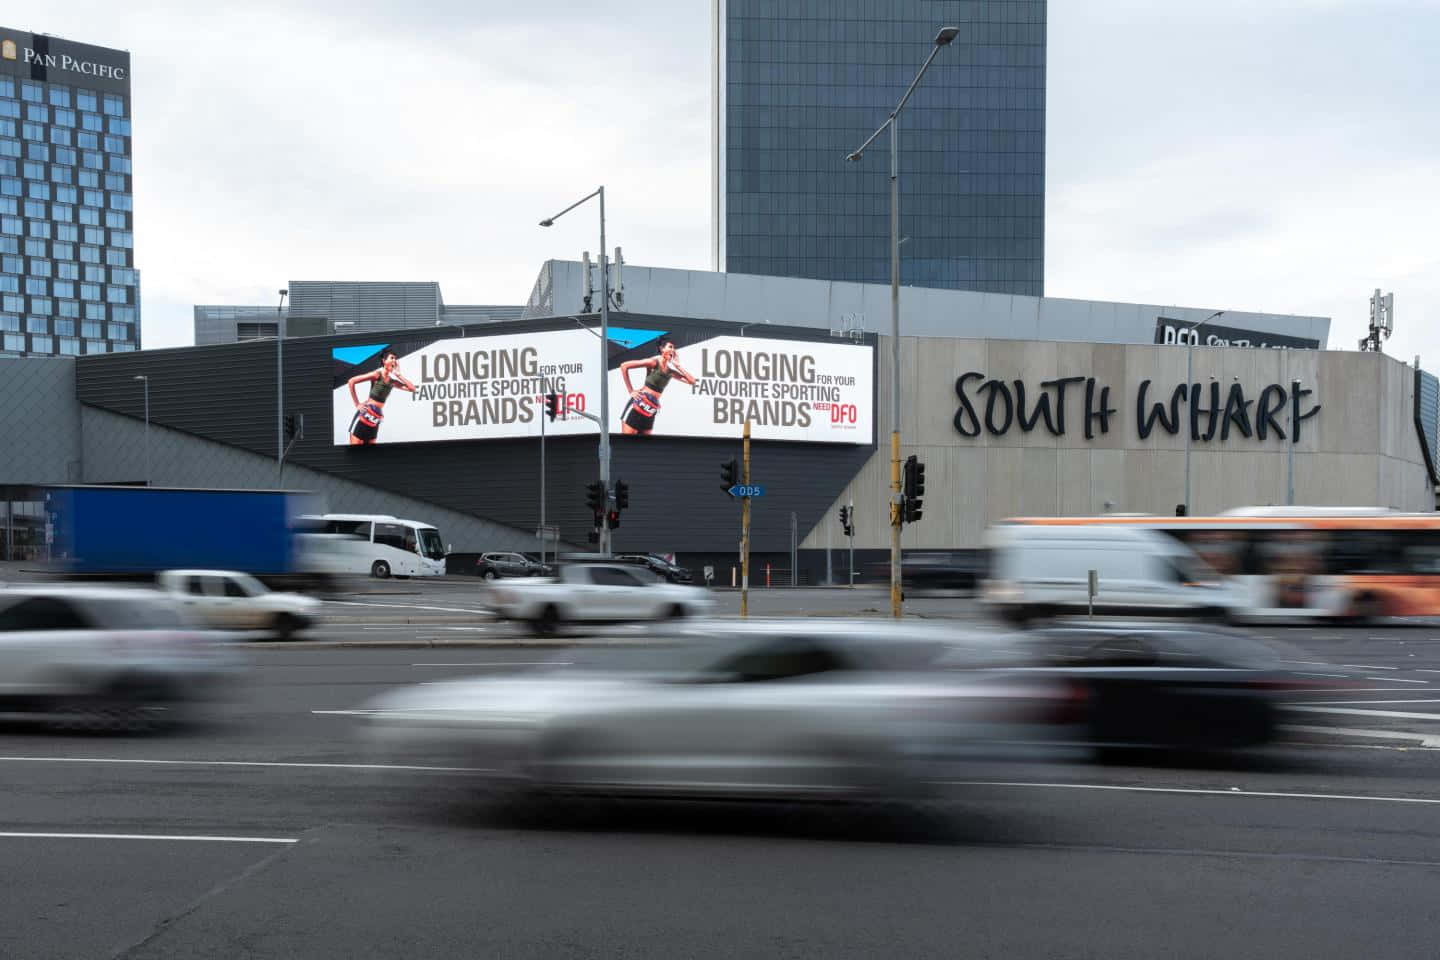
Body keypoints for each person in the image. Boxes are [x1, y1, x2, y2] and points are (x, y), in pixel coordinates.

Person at [618, 340, 698, 436]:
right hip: (637, 405)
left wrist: (678, 366)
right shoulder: (653, 362)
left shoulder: (670, 372)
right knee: (627, 445)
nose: (673, 350)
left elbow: (692, 381)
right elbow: (624, 366)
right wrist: (631, 391)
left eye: (674, 348)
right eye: (670, 347)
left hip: (650, 410)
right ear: (662, 349)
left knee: (645, 448)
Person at [346, 351, 416, 445]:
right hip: (363, 416)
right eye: (392, 358)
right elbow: (351, 381)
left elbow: (412, 388)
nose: (394, 361)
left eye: (395, 359)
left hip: (375, 419)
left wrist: (399, 375)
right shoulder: (376, 375)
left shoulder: (393, 382)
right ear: (384, 361)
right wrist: (357, 404)